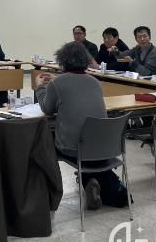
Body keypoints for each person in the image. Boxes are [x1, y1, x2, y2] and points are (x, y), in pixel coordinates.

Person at [35, 42, 107, 210]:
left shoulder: (57, 84)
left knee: (42, 142)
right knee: (83, 139)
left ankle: (49, 192)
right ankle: (89, 180)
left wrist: (40, 87)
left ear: (62, 60)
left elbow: (47, 108)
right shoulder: (95, 82)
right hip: (103, 148)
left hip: (73, 149)